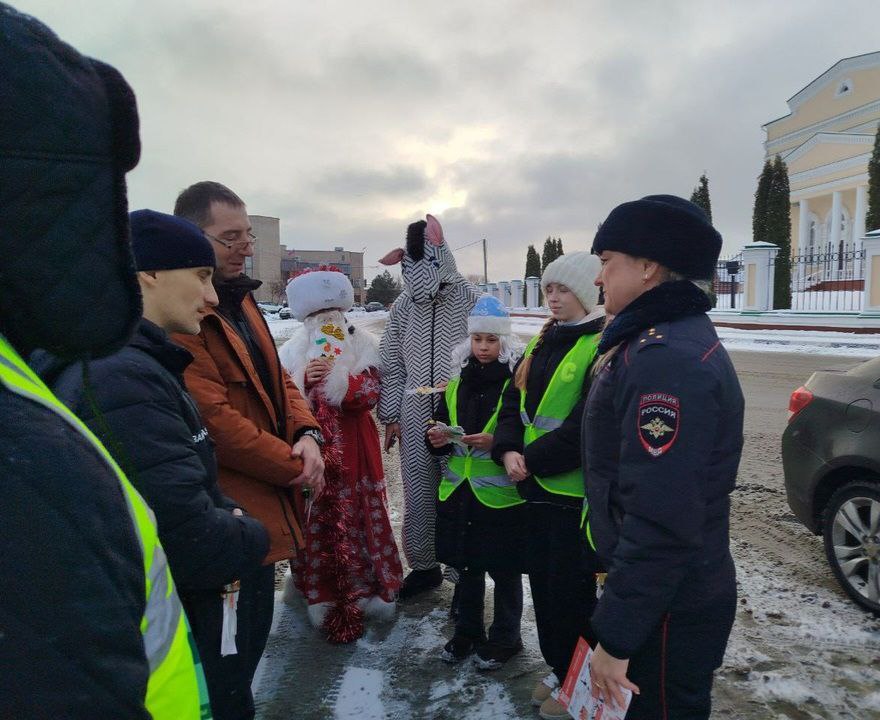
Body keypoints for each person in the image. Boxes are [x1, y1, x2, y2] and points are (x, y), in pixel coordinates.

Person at [0, 6, 205, 718]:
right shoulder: (37, 445)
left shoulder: (29, 380)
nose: (212, 292)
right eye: (200, 273)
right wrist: (241, 530)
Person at [42, 210, 272, 719]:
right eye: (201, 276)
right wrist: (251, 535)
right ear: (148, 273)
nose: (211, 296)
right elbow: (186, 534)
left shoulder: (136, 363)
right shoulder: (119, 376)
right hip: (178, 623)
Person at [582, 195, 743, 719]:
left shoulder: (666, 361)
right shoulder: (657, 344)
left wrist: (617, 637)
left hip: (669, 608)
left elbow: (661, 516)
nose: (599, 278)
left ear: (648, 266)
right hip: (662, 596)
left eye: (607, 261)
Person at [172, 181, 326, 696]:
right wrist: (296, 465)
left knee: (247, 652)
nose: (245, 247)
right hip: (228, 517)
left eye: (247, 235)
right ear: (191, 238)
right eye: (230, 237)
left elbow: (279, 379)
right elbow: (216, 422)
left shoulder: (240, 300)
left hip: (261, 519)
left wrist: (307, 433)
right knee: (225, 673)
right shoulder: (183, 316)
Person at [491, 252, 605, 720]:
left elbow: (587, 424)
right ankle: (562, 671)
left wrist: (529, 460)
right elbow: (510, 404)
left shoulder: (599, 345)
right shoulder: (542, 341)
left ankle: (585, 691)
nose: (553, 299)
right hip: (534, 490)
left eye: (562, 290)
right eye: (548, 291)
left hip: (570, 497)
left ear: (587, 292)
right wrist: (507, 450)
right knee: (545, 593)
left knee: (573, 599)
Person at [278, 266, 403, 642]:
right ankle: (320, 593)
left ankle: (370, 590)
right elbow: (281, 397)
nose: (325, 319)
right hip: (310, 444)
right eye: (317, 314)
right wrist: (304, 380)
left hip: (355, 445)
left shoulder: (363, 343)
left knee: (361, 513)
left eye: (330, 312)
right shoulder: (291, 349)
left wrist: (340, 380)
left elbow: (371, 392)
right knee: (315, 515)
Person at [378, 214, 481, 598]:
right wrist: (391, 415)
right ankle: (424, 566)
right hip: (414, 410)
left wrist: (475, 399)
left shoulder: (471, 300)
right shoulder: (404, 307)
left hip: (461, 408)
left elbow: (493, 352)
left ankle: (462, 573)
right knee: (419, 491)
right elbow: (392, 363)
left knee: (458, 491)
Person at [427, 295, 526, 669]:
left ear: (504, 342)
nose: (483, 347)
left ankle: (506, 638)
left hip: (500, 497)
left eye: (491, 340)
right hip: (460, 493)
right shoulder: (456, 383)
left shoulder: (515, 383)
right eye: (477, 339)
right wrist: (436, 437)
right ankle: (468, 632)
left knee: (505, 570)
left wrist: (495, 443)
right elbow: (439, 421)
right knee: (467, 568)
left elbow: (521, 430)